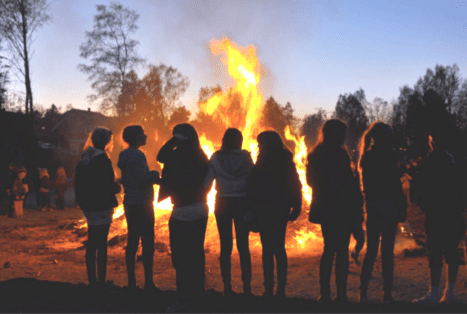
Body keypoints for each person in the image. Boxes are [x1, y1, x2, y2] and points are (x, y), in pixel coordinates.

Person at [306, 119, 363, 303]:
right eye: (343, 133)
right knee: (342, 251)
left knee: (329, 249)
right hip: (342, 208)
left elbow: (309, 182)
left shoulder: (315, 154)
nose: (345, 137)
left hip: (324, 208)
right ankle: (341, 294)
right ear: (336, 134)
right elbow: (347, 185)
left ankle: (325, 294)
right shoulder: (339, 154)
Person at [412, 125, 465, 305]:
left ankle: (434, 293)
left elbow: (421, 186)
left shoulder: (430, 160)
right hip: (453, 211)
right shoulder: (455, 160)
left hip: (435, 211)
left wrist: (422, 204)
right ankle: (449, 292)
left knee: (434, 252)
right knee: (451, 251)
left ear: (432, 141)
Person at [157, 123, 209, 304]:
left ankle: (183, 294)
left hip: (181, 210)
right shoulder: (201, 155)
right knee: (196, 252)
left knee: (180, 254)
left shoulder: (175, 155)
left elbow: (160, 155)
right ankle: (198, 291)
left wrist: (174, 140)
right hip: (200, 208)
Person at [247, 131, 302, 299]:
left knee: (267, 249)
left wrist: (252, 210)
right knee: (279, 248)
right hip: (281, 209)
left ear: (266, 143)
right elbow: (295, 184)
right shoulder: (286, 159)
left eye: (260, 142)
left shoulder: (262, 160)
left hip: (264, 210)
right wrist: (296, 207)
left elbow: (254, 187)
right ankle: (281, 290)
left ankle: (269, 289)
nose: (258, 146)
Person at [357, 122, 407, 304]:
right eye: (389, 134)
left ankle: (363, 295)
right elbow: (393, 184)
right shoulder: (388, 155)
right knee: (387, 252)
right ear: (382, 137)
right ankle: (386, 294)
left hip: (373, 206)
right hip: (389, 206)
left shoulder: (367, 156)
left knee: (371, 251)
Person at [203, 128, 254, 297]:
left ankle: (227, 288)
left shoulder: (216, 158)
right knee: (243, 246)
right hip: (242, 202)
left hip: (223, 203)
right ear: (240, 140)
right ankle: (247, 288)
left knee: (226, 246)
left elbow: (207, 182)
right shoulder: (246, 157)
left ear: (224, 140)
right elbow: (253, 179)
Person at [75, 127, 121, 289]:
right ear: (106, 141)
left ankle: (93, 281)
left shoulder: (85, 158)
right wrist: (118, 187)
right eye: (110, 140)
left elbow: (79, 184)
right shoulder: (103, 159)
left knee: (92, 243)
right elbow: (106, 185)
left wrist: (83, 203)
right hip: (102, 206)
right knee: (101, 245)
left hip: (89, 206)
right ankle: (101, 282)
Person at [117, 125, 160, 291]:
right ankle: (148, 283)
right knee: (148, 243)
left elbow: (130, 177)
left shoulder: (124, 155)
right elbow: (142, 180)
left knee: (132, 241)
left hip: (130, 203)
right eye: (143, 133)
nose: (146, 136)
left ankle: (131, 282)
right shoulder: (137, 155)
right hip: (142, 204)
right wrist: (155, 175)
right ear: (136, 137)